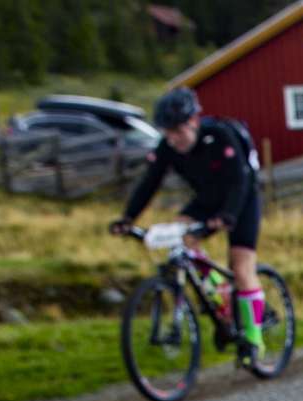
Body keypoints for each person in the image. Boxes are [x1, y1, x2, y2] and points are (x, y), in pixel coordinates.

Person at [109, 87, 266, 362]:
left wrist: (227, 215)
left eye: (178, 132)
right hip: (206, 199)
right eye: (167, 133)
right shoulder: (167, 147)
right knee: (179, 239)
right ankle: (220, 293)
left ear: (193, 122)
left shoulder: (220, 136)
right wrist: (128, 218)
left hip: (241, 199)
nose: (173, 139)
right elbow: (149, 183)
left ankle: (254, 340)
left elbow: (240, 181)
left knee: (241, 267)